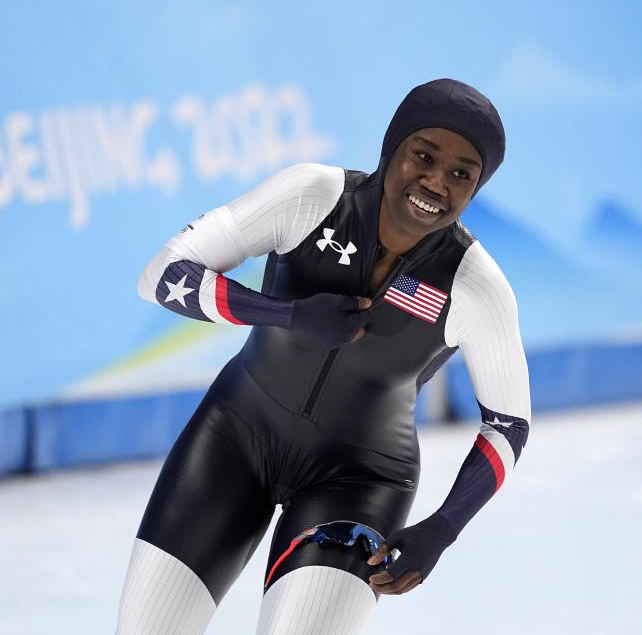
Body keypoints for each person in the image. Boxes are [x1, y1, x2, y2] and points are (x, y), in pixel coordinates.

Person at [117, 78, 531, 635]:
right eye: (423, 156)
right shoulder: (311, 197)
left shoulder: (475, 286)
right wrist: (284, 313)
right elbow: (161, 276)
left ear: (476, 190)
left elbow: (509, 423)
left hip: (359, 482)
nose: (435, 182)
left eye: (461, 174)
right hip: (234, 439)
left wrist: (443, 528)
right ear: (391, 151)